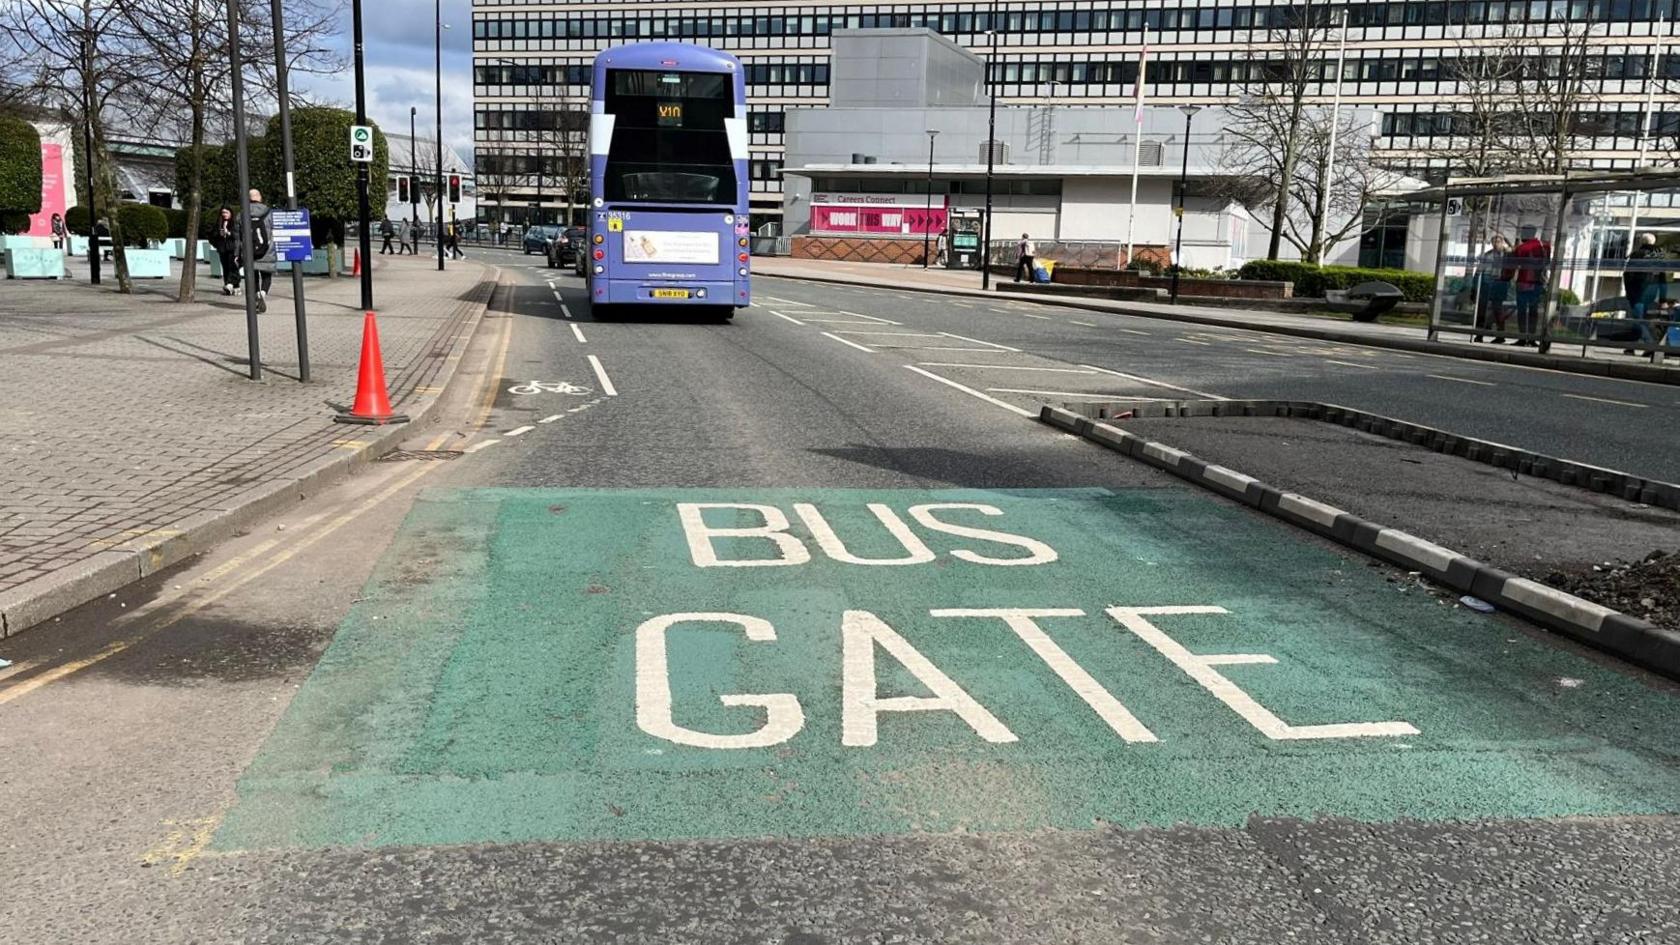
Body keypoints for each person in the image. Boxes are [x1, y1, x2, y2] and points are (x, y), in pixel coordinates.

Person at [1510, 225, 1549, 347]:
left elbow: (1514, 264)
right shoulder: (1544, 247)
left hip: (1523, 282)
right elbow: (1547, 263)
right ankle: (1532, 338)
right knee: (1533, 311)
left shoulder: (1521, 248)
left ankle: (1522, 337)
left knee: (1522, 311)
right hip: (1537, 282)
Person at [240, 189, 276, 313]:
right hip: (267, 249)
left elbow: (238, 233)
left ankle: (256, 295)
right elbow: (274, 229)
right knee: (267, 275)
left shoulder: (243, 213)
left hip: (250, 251)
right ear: (259, 197)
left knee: (253, 276)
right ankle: (263, 293)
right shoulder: (269, 212)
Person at [1471, 234, 1511, 343]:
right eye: (1494, 242)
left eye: (1498, 241)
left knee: (1498, 310)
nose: (1496, 244)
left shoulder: (1507, 255)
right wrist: (1474, 287)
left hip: (1499, 284)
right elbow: (1479, 271)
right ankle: (1479, 334)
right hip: (1487, 284)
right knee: (1482, 310)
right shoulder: (1488, 255)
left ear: (1502, 242)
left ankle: (1500, 334)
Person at [210, 206, 241, 295]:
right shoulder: (219, 223)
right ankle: (228, 285)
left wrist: (229, 233)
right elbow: (213, 234)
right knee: (225, 267)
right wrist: (218, 236)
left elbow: (238, 236)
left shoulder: (235, 223)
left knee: (233, 266)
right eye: (223, 213)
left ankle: (233, 285)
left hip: (233, 248)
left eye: (226, 212)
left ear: (231, 213)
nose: (224, 215)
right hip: (222, 248)